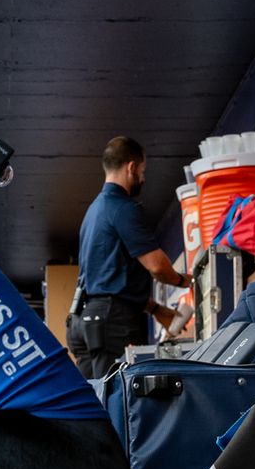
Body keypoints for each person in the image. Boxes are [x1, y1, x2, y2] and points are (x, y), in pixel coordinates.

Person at [73, 136, 191, 379]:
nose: (143, 178)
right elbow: (157, 266)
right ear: (131, 167)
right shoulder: (122, 207)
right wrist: (186, 281)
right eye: (143, 170)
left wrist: (156, 309)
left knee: (98, 403)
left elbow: (110, 279)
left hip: (84, 323)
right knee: (121, 400)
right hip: (111, 323)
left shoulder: (93, 212)